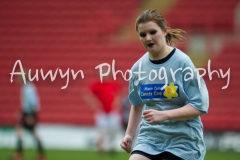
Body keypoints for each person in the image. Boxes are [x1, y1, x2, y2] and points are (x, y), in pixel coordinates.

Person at [120, 9, 209, 160]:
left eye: (153, 32)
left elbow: (199, 105)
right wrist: (129, 134)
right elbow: (136, 103)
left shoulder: (182, 62)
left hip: (183, 141)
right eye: (142, 34)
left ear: (165, 31)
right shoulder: (138, 68)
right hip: (150, 139)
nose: (148, 38)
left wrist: (164, 115)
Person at [82, 68, 122, 154]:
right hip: (102, 111)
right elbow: (87, 94)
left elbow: (120, 94)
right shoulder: (97, 84)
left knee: (113, 130)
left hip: (113, 111)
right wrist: (94, 103)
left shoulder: (114, 84)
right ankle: (100, 147)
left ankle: (112, 147)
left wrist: (117, 103)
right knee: (101, 130)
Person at [13, 71, 45, 160]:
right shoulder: (27, 87)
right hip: (28, 113)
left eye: (19, 77)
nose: (17, 79)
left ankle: (19, 154)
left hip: (29, 113)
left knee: (24, 131)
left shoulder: (28, 88)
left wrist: (30, 115)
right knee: (29, 132)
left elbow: (33, 103)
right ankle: (41, 155)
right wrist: (21, 112)